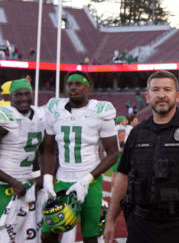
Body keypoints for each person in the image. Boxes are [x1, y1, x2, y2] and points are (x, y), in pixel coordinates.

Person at [102, 71, 179, 243]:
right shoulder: (137, 133)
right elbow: (123, 177)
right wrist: (111, 219)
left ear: (178, 96)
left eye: (167, 89)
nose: (161, 95)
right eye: (156, 90)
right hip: (140, 225)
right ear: (147, 96)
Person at [40, 72, 120, 243]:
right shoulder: (54, 108)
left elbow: (113, 153)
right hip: (62, 179)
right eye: (70, 84)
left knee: (90, 236)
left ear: (88, 87)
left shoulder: (100, 110)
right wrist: (47, 177)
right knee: (48, 233)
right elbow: (48, 148)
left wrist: (87, 179)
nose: (73, 87)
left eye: (78, 84)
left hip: (90, 181)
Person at [0, 79, 45, 226]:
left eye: (27, 94)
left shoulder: (40, 114)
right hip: (4, 184)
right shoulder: (5, 115)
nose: (24, 98)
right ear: (11, 96)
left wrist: (44, 176)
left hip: (27, 184)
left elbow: (47, 150)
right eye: (18, 95)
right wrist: (12, 181)